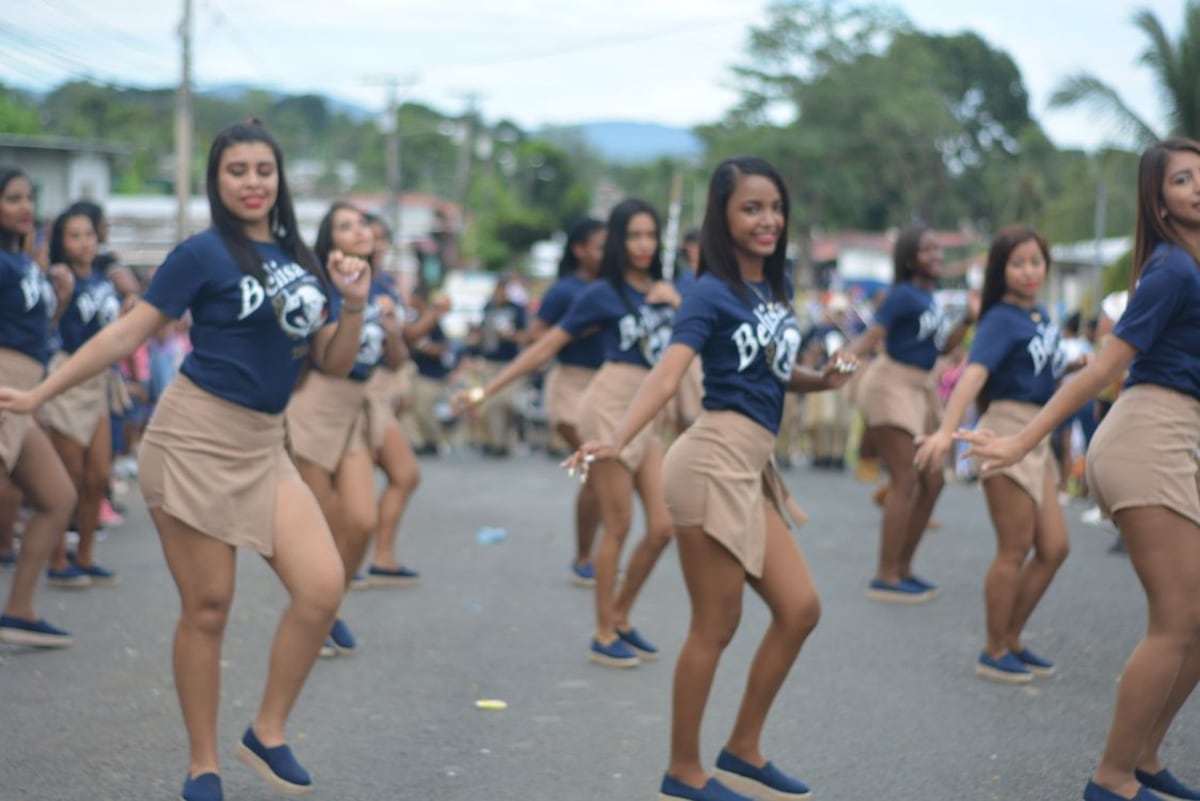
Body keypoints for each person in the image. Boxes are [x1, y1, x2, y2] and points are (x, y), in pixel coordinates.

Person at [0, 121, 371, 801]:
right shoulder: (200, 254)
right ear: (216, 180)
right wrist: (39, 393)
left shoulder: (302, 259)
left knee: (322, 587)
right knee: (208, 606)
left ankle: (268, 729)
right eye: (238, 171)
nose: (253, 181)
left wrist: (353, 304)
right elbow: (125, 333)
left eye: (264, 169)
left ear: (279, 177)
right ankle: (203, 763)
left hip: (266, 444)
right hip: (194, 440)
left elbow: (334, 361)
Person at [567, 157, 855, 801]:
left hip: (751, 465)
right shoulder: (709, 292)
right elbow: (669, 374)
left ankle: (744, 747)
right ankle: (683, 770)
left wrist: (822, 379)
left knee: (800, 609)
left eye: (774, 208)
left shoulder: (772, 293)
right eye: (751, 208)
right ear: (723, 218)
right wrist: (617, 438)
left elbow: (771, 372)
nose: (768, 220)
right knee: (715, 624)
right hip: (708, 462)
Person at [960, 138, 1200, 801]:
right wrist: (1019, 443)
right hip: (1148, 434)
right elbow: (1100, 370)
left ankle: (1146, 757)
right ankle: (1112, 776)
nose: (1199, 187)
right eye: (1184, 179)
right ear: (1160, 198)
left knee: (1195, 619)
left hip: (1182, 435)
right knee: (1176, 617)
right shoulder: (1172, 271)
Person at [454, 198, 679, 668]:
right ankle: (602, 632)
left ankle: (621, 616)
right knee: (617, 523)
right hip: (607, 406)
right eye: (633, 236)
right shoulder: (601, 294)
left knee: (662, 528)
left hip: (645, 413)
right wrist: (484, 391)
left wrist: (676, 303)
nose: (642, 245)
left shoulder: (664, 291)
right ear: (617, 241)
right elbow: (544, 349)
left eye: (650, 235)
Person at [914, 226, 1073, 683]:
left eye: (1036, 261)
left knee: (1055, 547)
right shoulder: (1000, 318)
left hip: (1037, 433)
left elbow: (1042, 367)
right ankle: (994, 646)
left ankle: (1013, 636)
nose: (1029, 271)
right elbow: (973, 374)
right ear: (1001, 270)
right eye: (1018, 263)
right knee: (1014, 548)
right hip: (1004, 429)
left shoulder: (1040, 314)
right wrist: (946, 431)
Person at [287, 201, 406, 654]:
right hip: (315, 408)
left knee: (361, 520)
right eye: (345, 226)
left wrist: (393, 328)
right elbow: (329, 360)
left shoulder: (379, 287)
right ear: (329, 240)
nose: (359, 231)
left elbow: (396, 360)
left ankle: (326, 606)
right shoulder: (323, 288)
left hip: (357, 409)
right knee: (324, 525)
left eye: (362, 224)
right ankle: (318, 612)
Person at [846, 223, 977, 602]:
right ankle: (885, 575)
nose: (937, 256)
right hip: (890, 385)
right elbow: (872, 337)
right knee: (906, 477)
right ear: (909, 258)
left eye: (939, 250)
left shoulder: (928, 297)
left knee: (933, 481)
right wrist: (842, 363)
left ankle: (903, 567)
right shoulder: (901, 295)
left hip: (920, 389)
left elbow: (941, 349)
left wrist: (968, 320)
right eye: (928, 251)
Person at [0, 166, 76, 648]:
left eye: (29, 197)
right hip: (4, 381)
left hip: (26, 387)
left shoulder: (23, 259)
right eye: (12, 198)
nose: (25, 206)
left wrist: (61, 299)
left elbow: (38, 332)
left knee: (57, 498)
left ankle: (20, 609)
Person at [40, 206, 124, 586]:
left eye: (88, 234)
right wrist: (60, 297)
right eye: (74, 236)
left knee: (98, 476)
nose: (84, 242)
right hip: (69, 378)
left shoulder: (103, 277)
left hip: (99, 380)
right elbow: (47, 324)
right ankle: (58, 560)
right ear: (61, 241)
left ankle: (85, 554)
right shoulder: (59, 276)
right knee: (68, 478)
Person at [529, 216, 606, 585]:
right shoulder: (565, 290)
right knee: (597, 470)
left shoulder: (613, 287)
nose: (606, 254)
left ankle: (599, 553)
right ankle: (584, 556)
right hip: (570, 386)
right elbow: (537, 334)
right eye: (599, 247)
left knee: (607, 474)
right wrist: (580, 330)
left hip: (607, 387)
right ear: (579, 250)